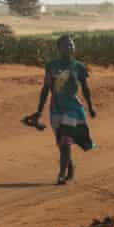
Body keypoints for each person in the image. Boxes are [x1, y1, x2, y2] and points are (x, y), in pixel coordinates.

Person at [32, 35, 96, 185]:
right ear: (59, 48)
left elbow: (85, 88)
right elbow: (46, 88)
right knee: (62, 144)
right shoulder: (52, 65)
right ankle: (70, 167)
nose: (70, 47)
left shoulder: (79, 66)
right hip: (56, 109)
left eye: (72, 45)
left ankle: (61, 175)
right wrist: (39, 111)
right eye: (66, 45)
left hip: (73, 109)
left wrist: (90, 106)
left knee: (66, 140)